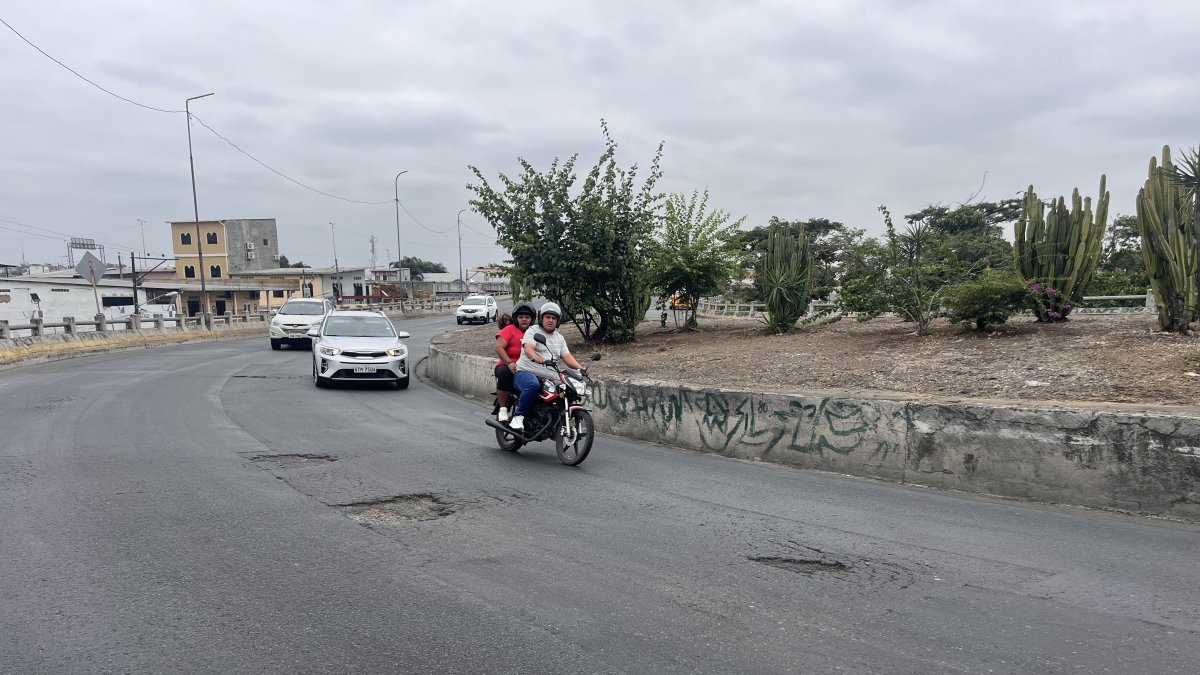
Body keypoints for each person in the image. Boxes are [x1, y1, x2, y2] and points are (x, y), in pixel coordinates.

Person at [510, 301, 585, 431]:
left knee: (566, 390)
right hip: (525, 372)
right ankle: (518, 417)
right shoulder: (533, 330)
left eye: (554, 318)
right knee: (533, 384)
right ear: (541, 318)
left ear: (558, 321)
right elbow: (528, 348)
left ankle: (555, 420)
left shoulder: (559, 338)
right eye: (547, 317)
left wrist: (580, 368)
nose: (550, 320)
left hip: (549, 376)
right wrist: (535, 356)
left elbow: (566, 356)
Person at [493, 303, 536, 422]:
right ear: (516, 318)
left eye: (527, 317)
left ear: (532, 319)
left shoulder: (534, 332)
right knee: (504, 373)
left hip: (528, 368)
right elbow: (499, 347)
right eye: (521, 316)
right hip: (508, 366)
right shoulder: (509, 330)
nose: (524, 319)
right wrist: (509, 362)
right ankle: (502, 409)